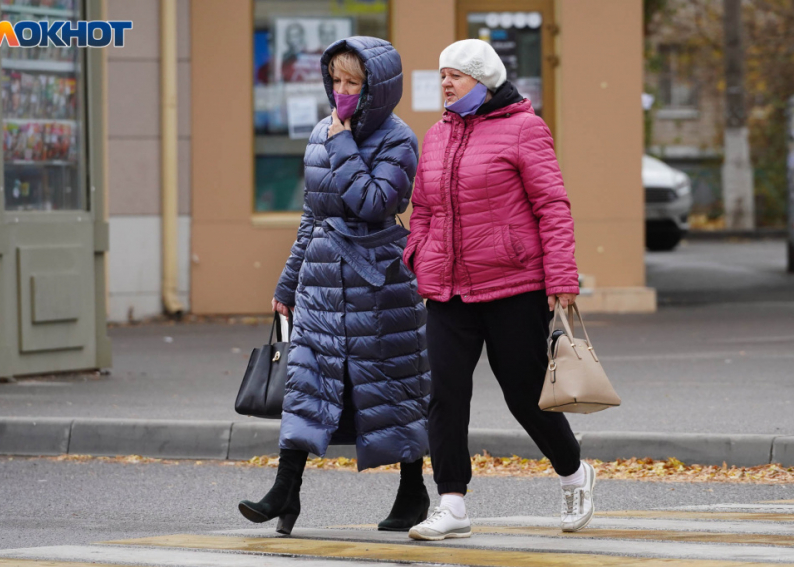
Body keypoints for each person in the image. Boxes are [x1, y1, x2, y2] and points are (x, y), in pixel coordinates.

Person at [239, 37, 430, 535]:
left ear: (377, 89)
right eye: (336, 81)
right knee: (306, 384)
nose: (342, 91)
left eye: (353, 83)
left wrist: (342, 142)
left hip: (379, 283)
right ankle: (286, 490)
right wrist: (287, 283)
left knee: (392, 388)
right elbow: (312, 214)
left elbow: (374, 202)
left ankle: (413, 491)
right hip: (321, 282)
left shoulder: (399, 139)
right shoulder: (321, 132)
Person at [404, 39, 593, 541]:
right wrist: (418, 253)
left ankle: (574, 472)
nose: (446, 83)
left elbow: (552, 205)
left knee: (525, 396)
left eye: (456, 74)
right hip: (449, 291)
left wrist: (562, 277)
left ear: (483, 80)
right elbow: (423, 209)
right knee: (444, 395)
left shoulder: (525, 129)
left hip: (513, 285)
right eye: (442, 74)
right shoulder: (436, 136)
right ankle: (452, 503)